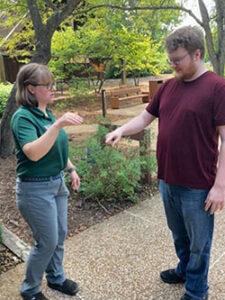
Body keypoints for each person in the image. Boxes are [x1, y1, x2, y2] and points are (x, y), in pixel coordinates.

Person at [105, 26, 225, 300]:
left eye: (178, 60)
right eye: (170, 60)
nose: (173, 65)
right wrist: (121, 129)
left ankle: (197, 290)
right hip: (168, 179)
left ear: (197, 54)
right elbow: (146, 118)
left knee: (199, 243)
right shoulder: (169, 86)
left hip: (198, 185)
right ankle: (184, 270)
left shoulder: (218, 88)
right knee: (179, 235)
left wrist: (220, 185)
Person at [11, 63, 83, 300]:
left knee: (59, 235)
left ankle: (56, 277)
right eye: (48, 85)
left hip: (56, 184)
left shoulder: (47, 114)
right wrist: (58, 125)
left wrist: (71, 168)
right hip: (35, 189)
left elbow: (56, 147)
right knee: (47, 242)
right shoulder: (22, 117)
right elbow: (33, 152)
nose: (53, 88)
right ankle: (30, 290)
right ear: (31, 88)